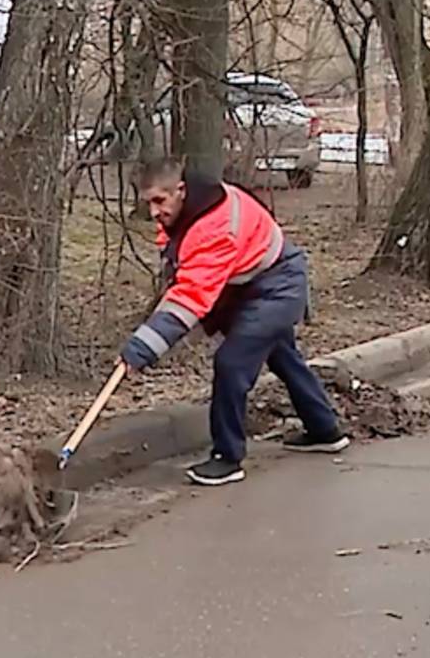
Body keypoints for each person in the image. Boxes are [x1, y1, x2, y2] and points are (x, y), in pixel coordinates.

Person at [121, 158, 349, 487]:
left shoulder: (213, 225)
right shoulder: (193, 208)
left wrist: (141, 349)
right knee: (283, 356)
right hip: (256, 284)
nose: (154, 213)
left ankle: (227, 458)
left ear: (181, 190)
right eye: (148, 204)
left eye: (159, 201)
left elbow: (190, 296)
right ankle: (324, 430)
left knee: (231, 363)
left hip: (278, 287)